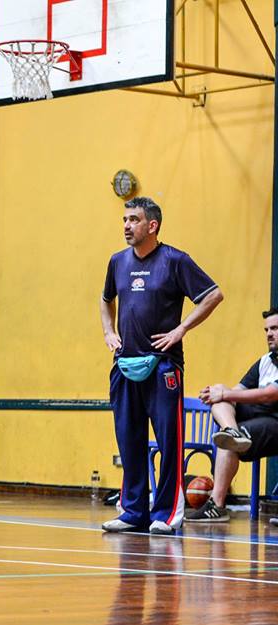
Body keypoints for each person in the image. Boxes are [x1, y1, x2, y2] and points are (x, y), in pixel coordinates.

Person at [99, 196, 223, 534]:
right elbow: (106, 299)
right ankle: (132, 512)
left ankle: (167, 514)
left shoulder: (175, 261)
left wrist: (181, 329)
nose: (127, 226)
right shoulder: (117, 262)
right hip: (125, 365)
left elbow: (213, 295)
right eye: (125, 220)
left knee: (169, 442)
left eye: (134, 220)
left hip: (163, 366)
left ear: (152, 225)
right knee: (129, 440)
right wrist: (109, 331)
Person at [185, 308, 278, 523]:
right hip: (259, 419)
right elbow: (237, 391)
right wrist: (217, 393)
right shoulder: (265, 361)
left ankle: (217, 504)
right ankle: (232, 431)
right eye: (266, 330)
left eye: (274, 328)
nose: (269, 334)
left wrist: (225, 393)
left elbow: (271, 394)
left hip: (275, 421)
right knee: (221, 400)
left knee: (224, 397)